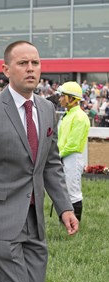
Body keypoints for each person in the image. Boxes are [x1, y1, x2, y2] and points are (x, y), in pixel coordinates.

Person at [0, 40, 79, 282]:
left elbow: (51, 164)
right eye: (23, 63)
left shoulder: (47, 109)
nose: (30, 69)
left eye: (35, 63)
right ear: (5, 70)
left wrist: (65, 207)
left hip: (35, 222)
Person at [57, 81, 90, 221]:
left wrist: (58, 155)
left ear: (71, 98)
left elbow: (73, 144)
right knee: (63, 191)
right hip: (63, 155)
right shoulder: (67, 115)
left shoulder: (80, 117)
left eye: (62, 96)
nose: (59, 99)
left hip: (72, 157)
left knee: (73, 192)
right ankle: (64, 222)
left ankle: (74, 226)